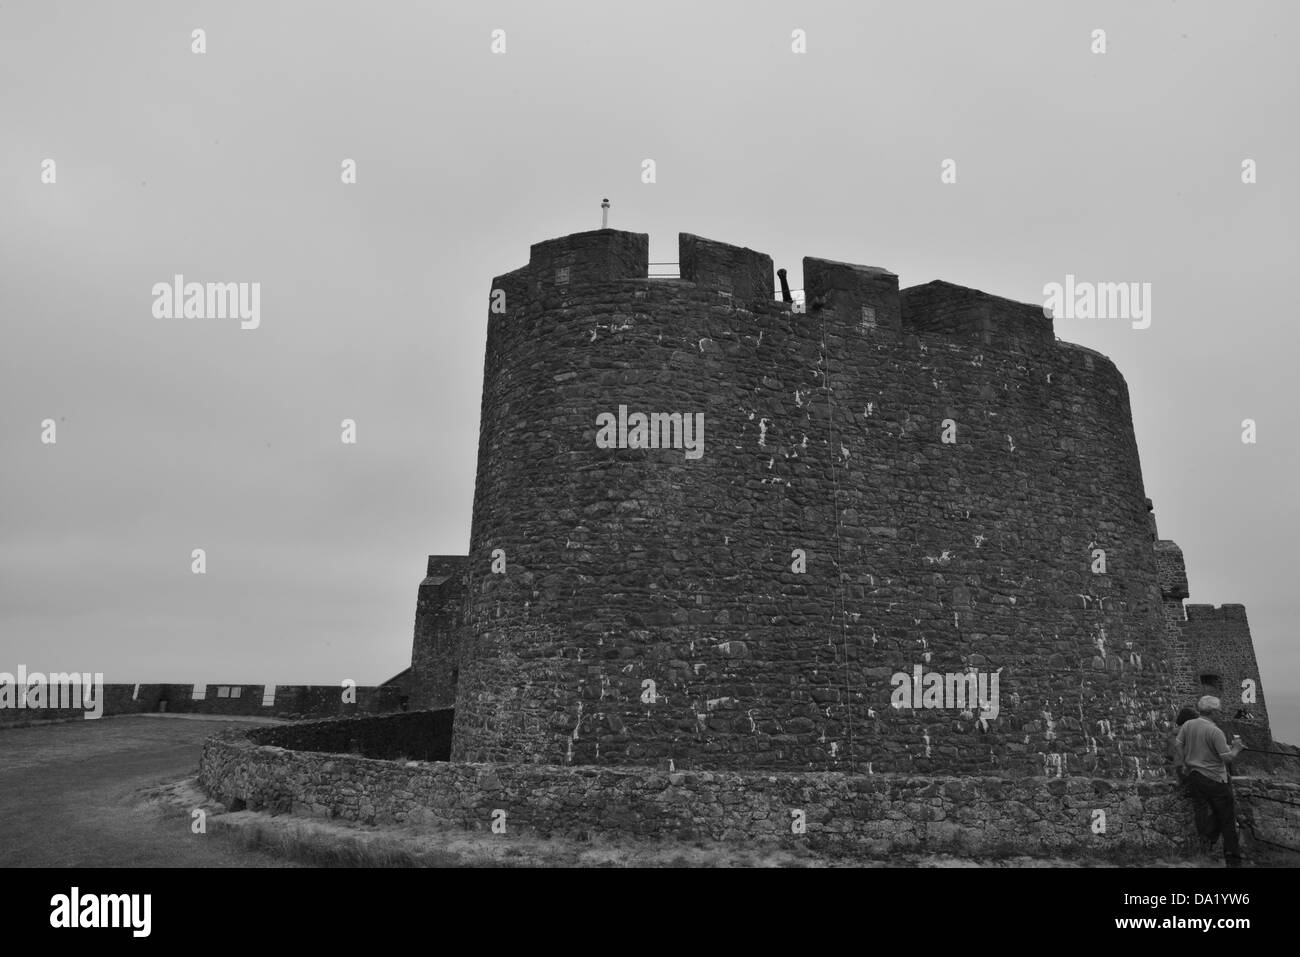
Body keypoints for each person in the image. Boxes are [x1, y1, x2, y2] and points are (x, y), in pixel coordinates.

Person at [1174, 695, 1246, 867]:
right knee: (1227, 819)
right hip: (1214, 779)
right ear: (1213, 712)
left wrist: (1184, 762)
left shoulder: (1189, 725)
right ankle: (1233, 859)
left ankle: (1204, 844)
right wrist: (1237, 748)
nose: (1220, 714)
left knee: (1210, 813)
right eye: (1219, 711)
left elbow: (1178, 744)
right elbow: (1227, 758)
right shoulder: (1215, 731)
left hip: (1195, 776)